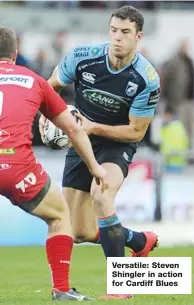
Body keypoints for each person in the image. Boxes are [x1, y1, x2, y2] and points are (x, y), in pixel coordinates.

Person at [39, 6, 160, 299]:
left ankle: (121, 287)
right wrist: (45, 115)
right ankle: (139, 240)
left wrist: (92, 127)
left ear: (138, 36)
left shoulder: (146, 78)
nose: (118, 38)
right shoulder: (82, 58)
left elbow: (136, 132)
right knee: (79, 230)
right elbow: (49, 87)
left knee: (102, 195)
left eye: (125, 33)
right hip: (81, 140)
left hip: (118, 144)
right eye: (114, 31)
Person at [0, 27, 108, 301]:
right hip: (15, 164)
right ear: (15, 53)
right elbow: (73, 129)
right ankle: (61, 289)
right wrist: (95, 167)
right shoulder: (35, 80)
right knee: (60, 216)